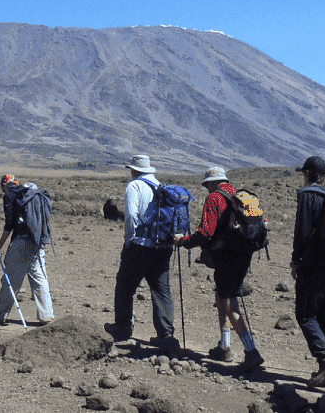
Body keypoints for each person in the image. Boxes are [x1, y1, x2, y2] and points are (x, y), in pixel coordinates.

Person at [175, 167, 264, 372]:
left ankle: (251, 352)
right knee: (221, 295)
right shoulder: (237, 194)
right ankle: (224, 346)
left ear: (213, 183)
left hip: (226, 257)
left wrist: (184, 242)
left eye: (207, 185)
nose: (207, 189)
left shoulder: (215, 198)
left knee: (231, 303)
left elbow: (205, 232)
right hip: (243, 255)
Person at [106, 155, 177, 353]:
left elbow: (131, 216)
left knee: (125, 285)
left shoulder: (135, 186)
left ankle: (122, 327)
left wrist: (129, 240)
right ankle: (166, 335)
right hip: (163, 246)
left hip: (141, 245)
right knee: (161, 290)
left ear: (134, 170)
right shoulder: (162, 186)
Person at [290, 155, 325, 387]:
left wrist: (296, 259)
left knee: (305, 315)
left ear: (307, 174)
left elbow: (302, 232)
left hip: (314, 264)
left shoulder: (308, 195)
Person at [0, 175, 55, 325]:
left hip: (22, 242)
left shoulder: (10, 196)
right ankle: (46, 316)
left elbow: (9, 225)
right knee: (40, 279)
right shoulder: (31, 196)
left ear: (5, 184)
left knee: (12, 279)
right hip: (37, 242)